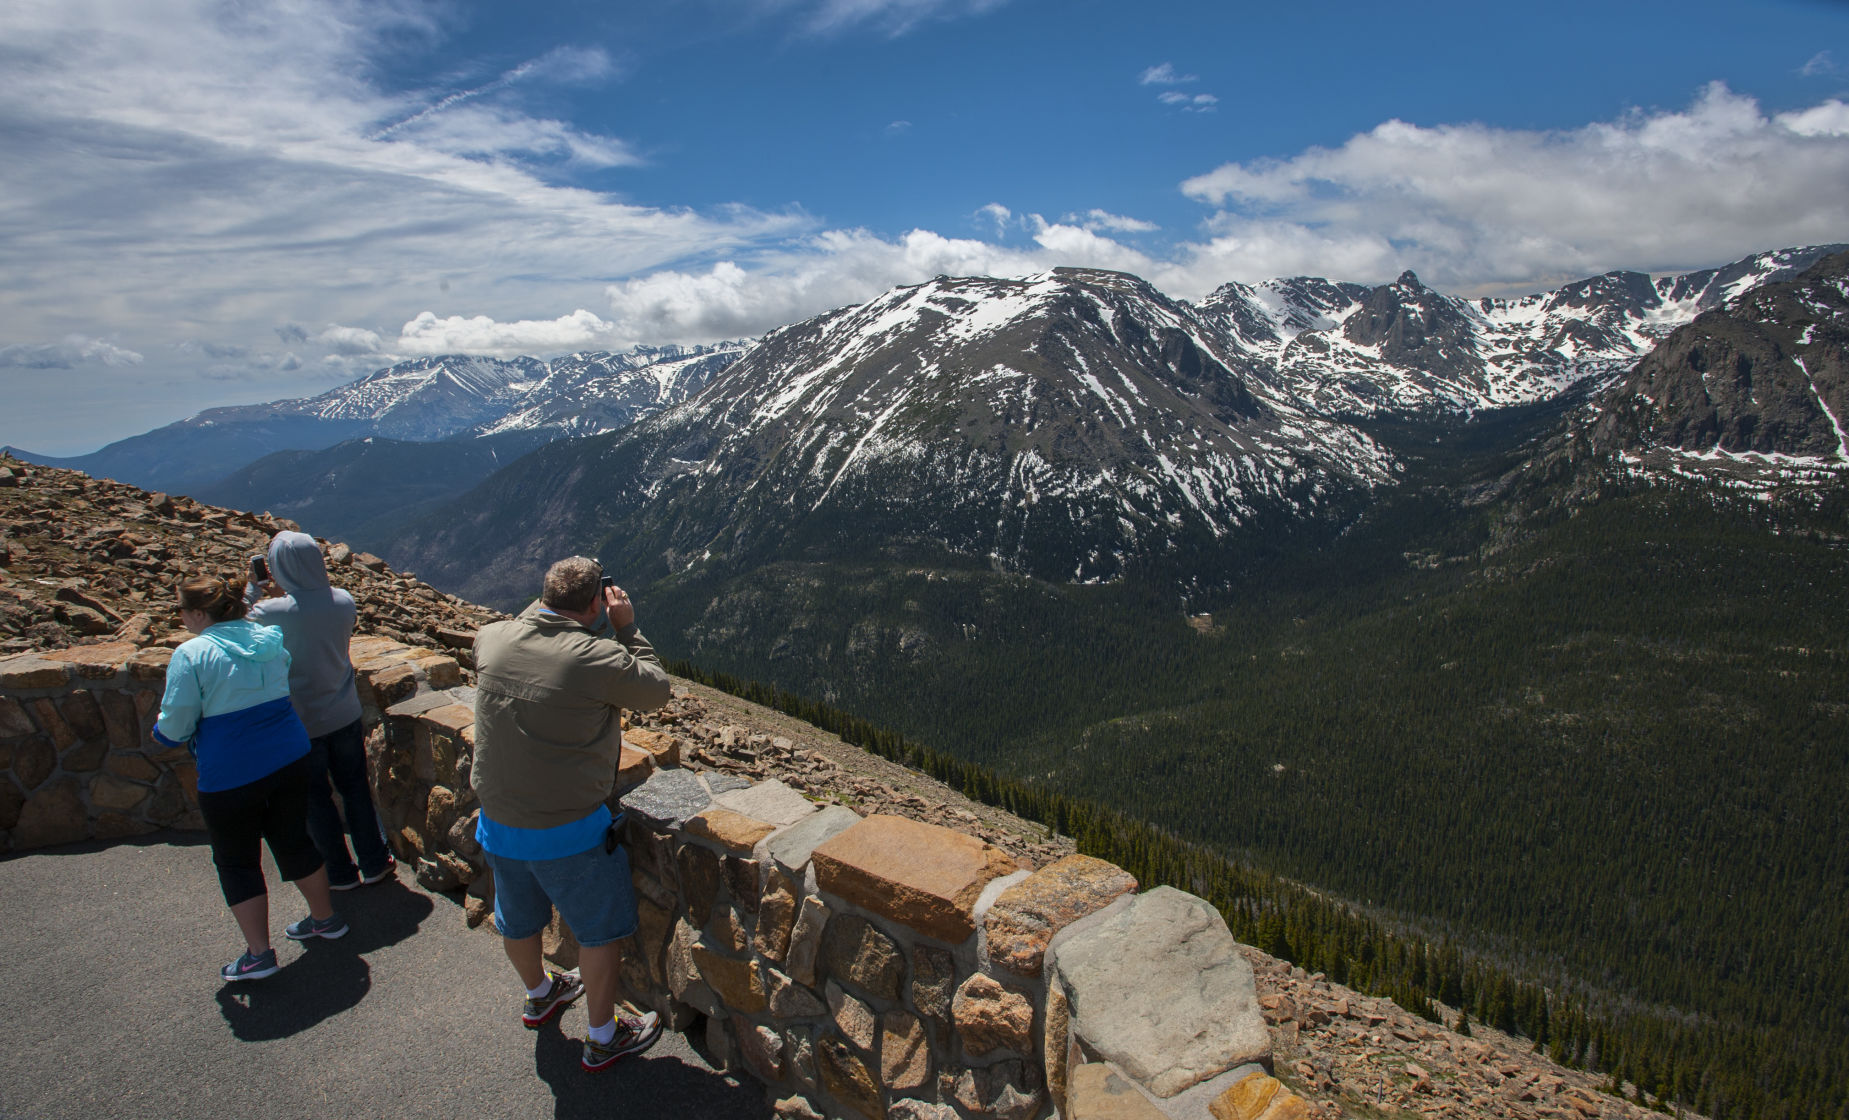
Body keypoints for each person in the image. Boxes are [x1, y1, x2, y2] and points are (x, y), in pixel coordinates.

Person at [471, 556, 671, 1071]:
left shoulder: (492, 639)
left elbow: (529, 627)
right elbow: (654, 690)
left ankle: (541, 992)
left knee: (517, 919)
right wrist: (627, 627)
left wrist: (554, 607)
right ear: (592, 604)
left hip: (497, 820)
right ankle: (604, 1035)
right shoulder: (593, 657)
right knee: (598, 930)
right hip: (566, 826)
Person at [153, 572, 349, 981]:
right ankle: (325, 918)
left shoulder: (192, 654)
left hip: (231, 769)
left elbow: (174, 728)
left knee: (237, 860)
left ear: (199, 613)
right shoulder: (268, 639)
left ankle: (259, 955)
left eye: (183, 610)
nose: (183, 618)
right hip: (290, 754)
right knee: (294, 839)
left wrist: (162, 731)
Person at [246, 531, 395, 890]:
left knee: (315, 799)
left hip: (300, 722)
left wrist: (254, 588)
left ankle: (338, 872)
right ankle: (374, 861)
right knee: (355, 789)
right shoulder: (343, 601)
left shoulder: (269, 612)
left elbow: (238, 629)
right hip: (344, 713)